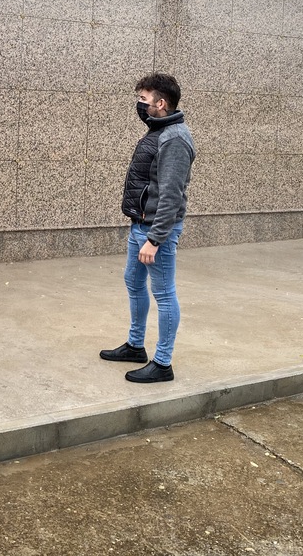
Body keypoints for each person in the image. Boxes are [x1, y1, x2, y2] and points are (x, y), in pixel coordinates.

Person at [100, 72, 195, 383]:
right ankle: (135, 346)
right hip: (140, 224)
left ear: (161, 103)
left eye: (143, 100)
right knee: (133, 282)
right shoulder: (158, 131)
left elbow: (171, 195)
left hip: (156, 231)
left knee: (164, 294)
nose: (139, 105)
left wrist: (154, 240)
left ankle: (163, 363)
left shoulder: (174, 139)